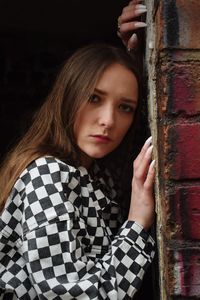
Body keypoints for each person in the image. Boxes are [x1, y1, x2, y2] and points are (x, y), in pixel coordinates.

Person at [0, 4, 155, 300]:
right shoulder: (47, 174)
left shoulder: (96, 175)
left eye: (125, 107)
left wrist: (142, 56)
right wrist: (136, 224)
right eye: (94, 98)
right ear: (68, 97)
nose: (108, 121)